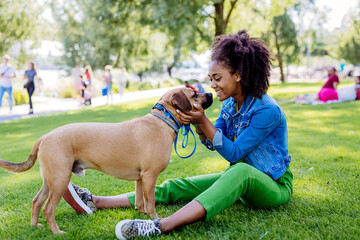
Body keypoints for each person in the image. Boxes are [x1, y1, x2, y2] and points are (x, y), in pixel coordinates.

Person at [62, 30, 293, 240]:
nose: (212, 85)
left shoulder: (267, 110)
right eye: (211, 78)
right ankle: (97, 202)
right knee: (178, 185)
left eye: (217, 78)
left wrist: (203, 120)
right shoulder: (230, 104)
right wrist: (198, 126)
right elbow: (213, 142)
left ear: (239, 75)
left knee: (241, 170)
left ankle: (160, 225)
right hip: (239, 180)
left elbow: (234, 153)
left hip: (272, 185)